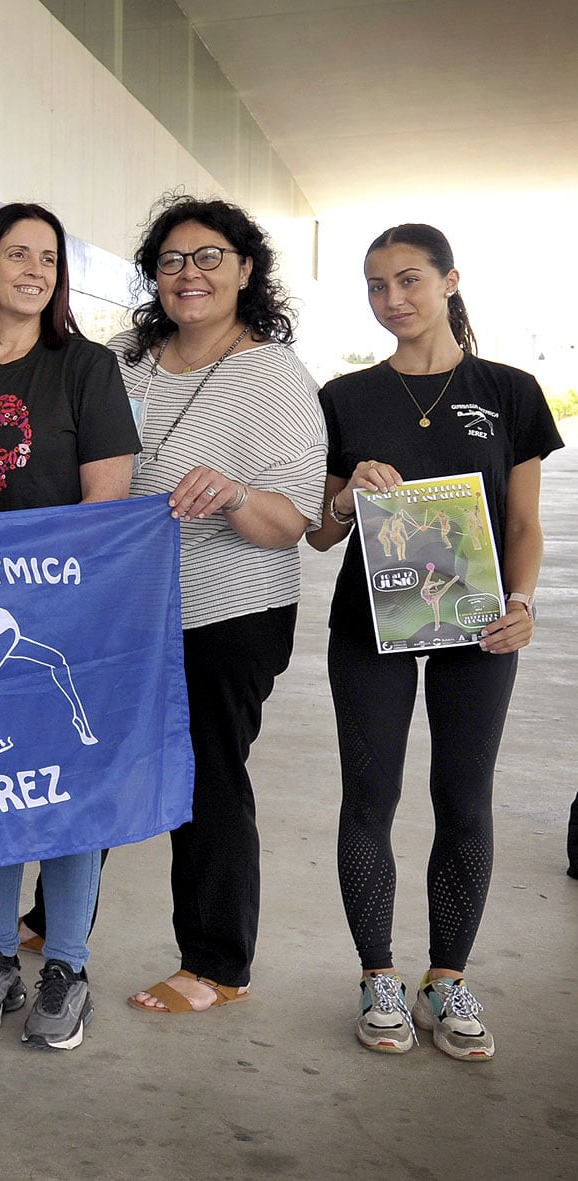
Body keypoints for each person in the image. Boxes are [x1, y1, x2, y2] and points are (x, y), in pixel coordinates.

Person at [306, 223, 562, 1060]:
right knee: (369, 799)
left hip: (476, 625)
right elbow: (317, 530)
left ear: (451, 280)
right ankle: (378, 973)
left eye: (409, 280)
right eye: (376, 285)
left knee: (464, 797)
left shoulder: (511, 391)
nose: (392, 300)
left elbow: (523, 523)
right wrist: (348, 498)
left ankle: (446, 977)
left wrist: (521, 601)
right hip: (371, 626)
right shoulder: (345, 397)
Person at [0, 203, 136, 1049]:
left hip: (65, 611)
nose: (36, 270)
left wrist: (47, 586)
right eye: (19, 254)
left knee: (67, 795)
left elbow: (107, 498)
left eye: (49, 257)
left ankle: (69, 966)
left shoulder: (86, 368)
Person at [109, 196, 326, 1015]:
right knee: (98, 754)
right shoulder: (125, 361)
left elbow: (292, 522)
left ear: (244, 269)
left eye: (208, 258)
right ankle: (53, 915)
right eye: (171, 261)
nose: (188, 274)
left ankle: (215, 961)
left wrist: (235, 493)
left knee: (204, 776)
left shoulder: (273, 375)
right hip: (125, 605)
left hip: (227, 610)